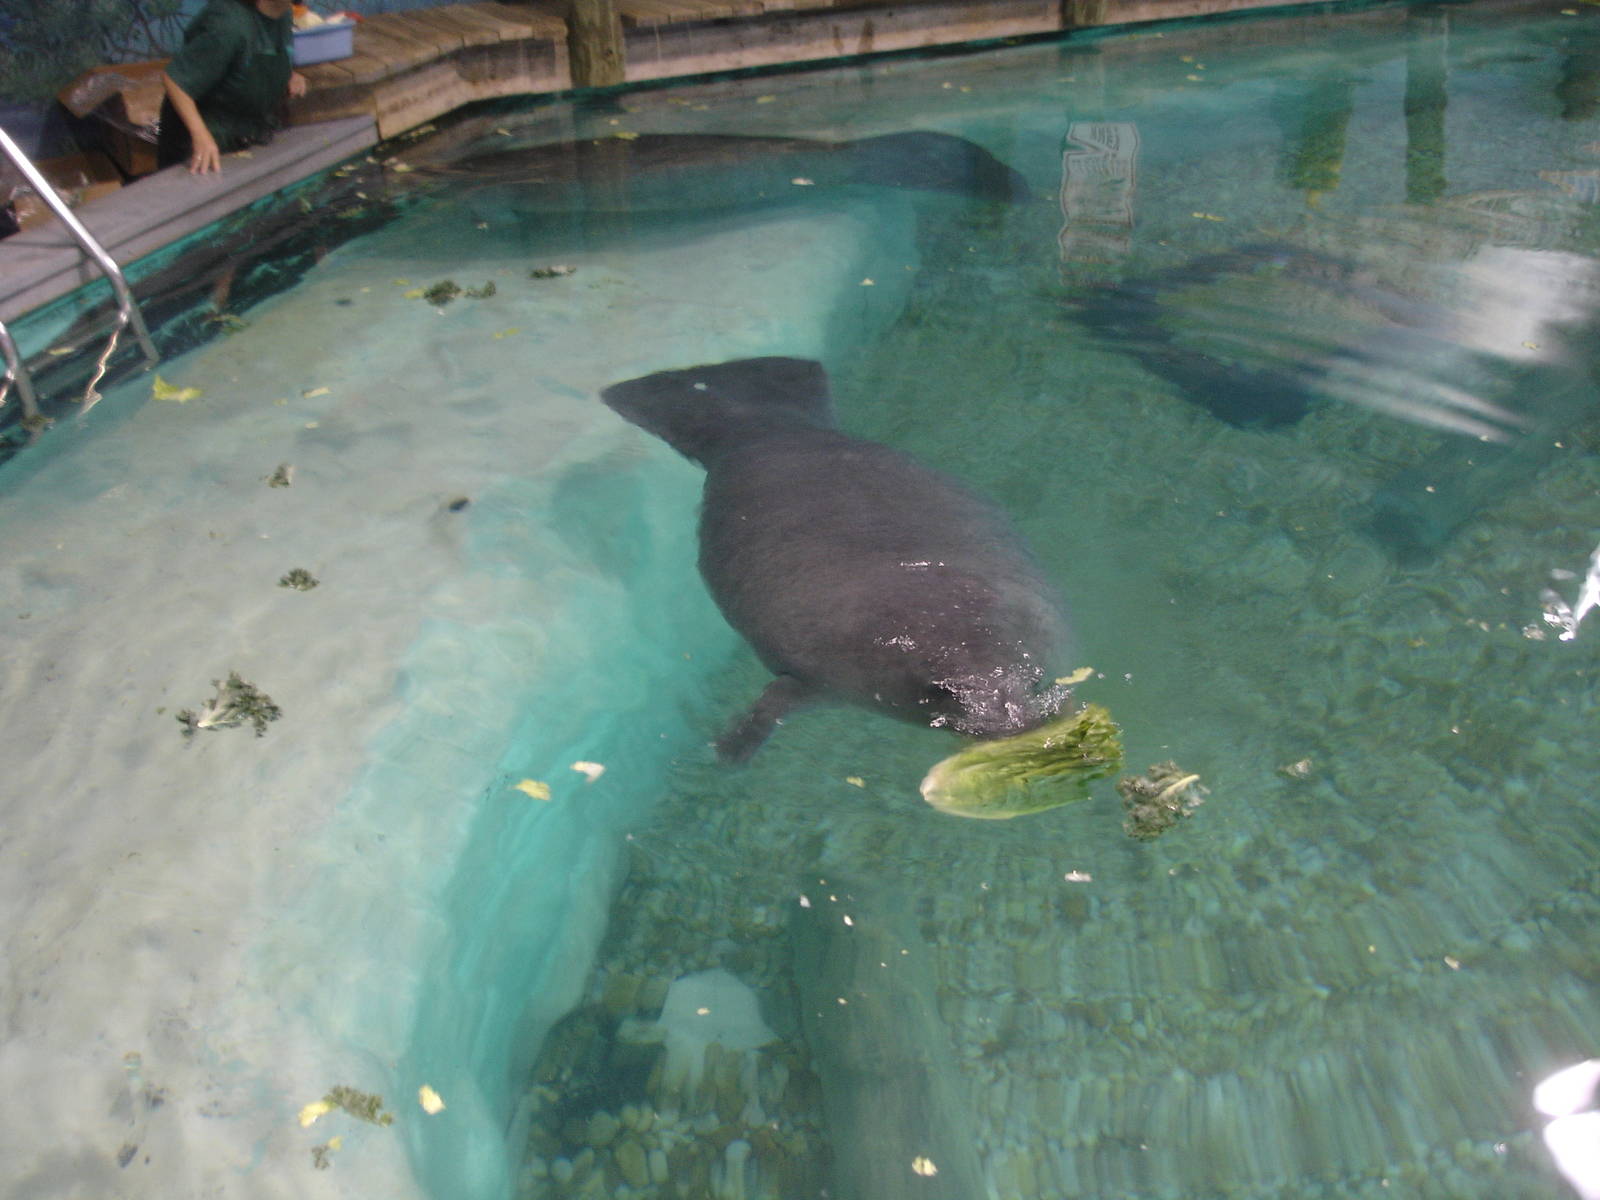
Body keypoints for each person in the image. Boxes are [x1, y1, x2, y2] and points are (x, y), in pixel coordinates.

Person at [158, 0, 309, 175]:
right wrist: (201, 136)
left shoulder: (283, 15)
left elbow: (258, 55)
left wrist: (284, 75)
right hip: (206, 143)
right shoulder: (229, 25)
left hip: (248, 136)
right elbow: (175, 81)